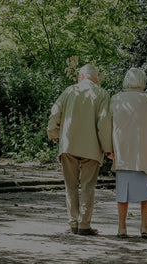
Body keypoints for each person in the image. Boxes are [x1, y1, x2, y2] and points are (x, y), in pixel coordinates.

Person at [47, 64, 112, 235]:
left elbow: (55, 113)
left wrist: (53, 132)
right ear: (96, 78)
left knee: (71, 186)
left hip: (69, 144)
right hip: (92, 147)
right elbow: (104, 123)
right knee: (88, 186)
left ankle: (73, 223)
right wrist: (108, 148)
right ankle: (84, 225)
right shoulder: (102, 94)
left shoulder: (69, 91)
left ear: (81, 76)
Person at [110, 67, 147, 238]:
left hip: (122, 152)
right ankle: (144, 226)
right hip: (144, 152)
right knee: (145, 192)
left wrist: (108, 149)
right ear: (143, 81)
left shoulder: (116, 99)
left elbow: (108, 125)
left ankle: (122, 227)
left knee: (122, 192)